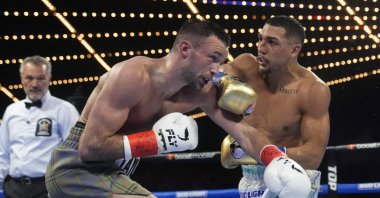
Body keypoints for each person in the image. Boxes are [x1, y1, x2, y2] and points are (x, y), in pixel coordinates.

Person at [44, 18, 231, 198]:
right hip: (76, 167)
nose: (217, 69)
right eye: (213, 58)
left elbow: (244, 129)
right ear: (185, 48)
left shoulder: (198, 90)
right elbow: (89, 148)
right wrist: (156, 141)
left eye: (220, 62)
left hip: (116, 169)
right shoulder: (132, 75)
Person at [217, 15, 331, 197]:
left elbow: (313, 156)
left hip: (294, 178)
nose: (261, 48)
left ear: (294, 51)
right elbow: (213, 72)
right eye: (260, 38)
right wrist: (224, 82)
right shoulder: (247, 66)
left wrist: (254, 152)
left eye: (272, 42)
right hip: (251, 180)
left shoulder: (312, 90)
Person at [0, 55, 80, 198]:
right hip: (12, 188)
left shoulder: (64, 109)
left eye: (40, 78)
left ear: (49, 79)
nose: (35, 84)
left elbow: (75, 153)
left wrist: (64, 186)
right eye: (29, 78)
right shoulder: (11, 110)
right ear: (22, 79)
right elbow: (3, 153)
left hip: (48, 188)